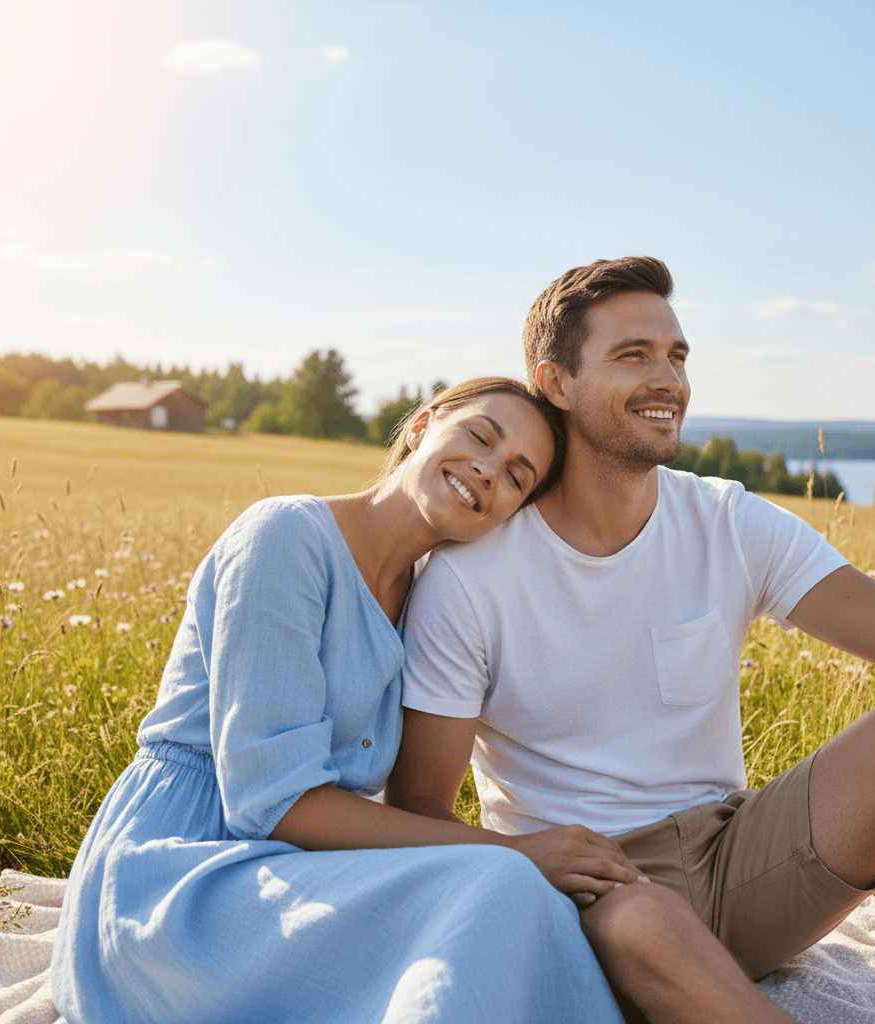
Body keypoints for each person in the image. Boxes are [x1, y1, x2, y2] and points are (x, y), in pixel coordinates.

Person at [391, 259, 875, 1024]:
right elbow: (420, 804)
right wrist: (530, 862)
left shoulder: (725, 520)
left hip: (737, 855)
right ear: (553, 381)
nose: (667, 380)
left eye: (676, 356)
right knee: (641, 920)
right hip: (586, 890)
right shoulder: (471, 579)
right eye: (633, 355)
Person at [50, 377, 644, 1024]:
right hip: (178, 873)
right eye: (480, 436)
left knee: (526, 901)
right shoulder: (286, 537)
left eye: (517, 476)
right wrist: (518, 849)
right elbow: (272, 803)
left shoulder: (429, 601)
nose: (487, 470)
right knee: (501, 880)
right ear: (421, 427)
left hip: (291, 870)